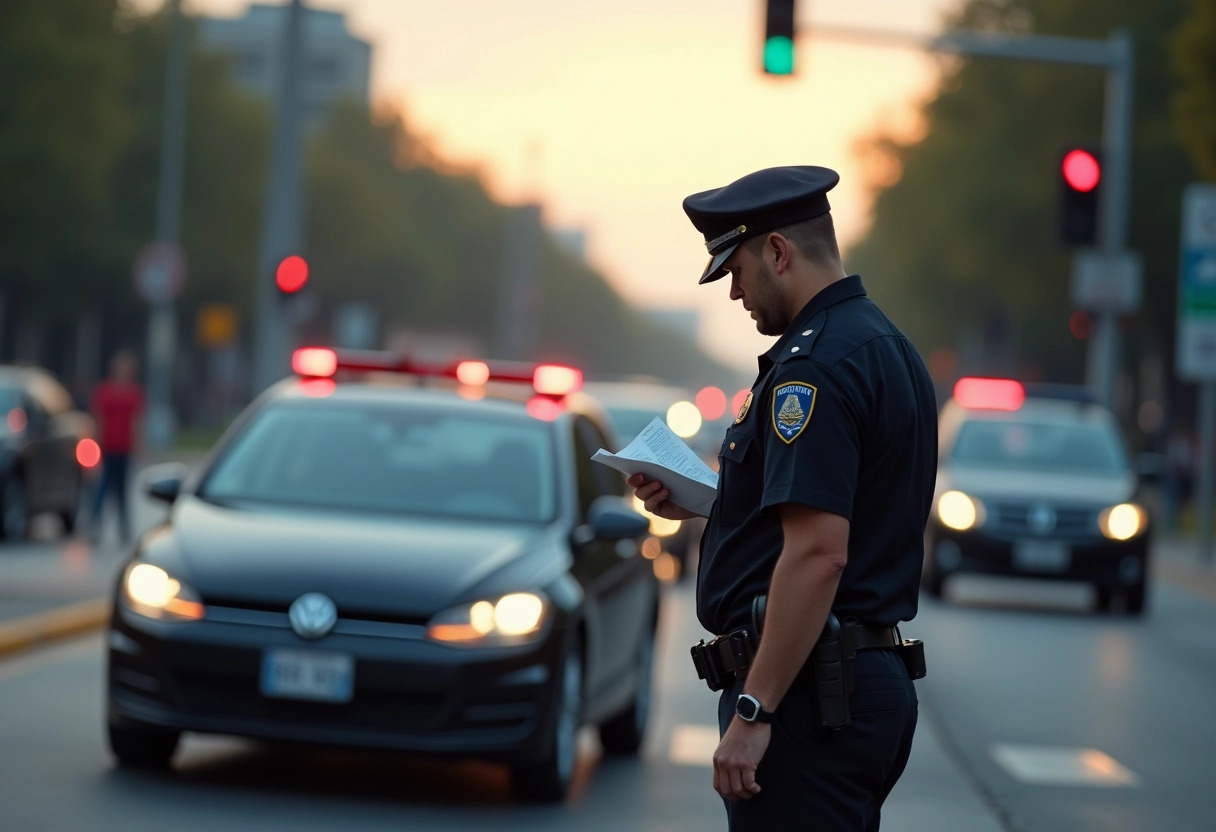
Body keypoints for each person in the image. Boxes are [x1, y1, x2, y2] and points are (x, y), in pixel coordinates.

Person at [629, 166, 938, 831]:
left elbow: (820, 553)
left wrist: (754, 711)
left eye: (736, 269)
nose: (734, 291)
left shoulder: (814, 370)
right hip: (848, 686)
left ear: (778, 251)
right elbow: (845, 509)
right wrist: (713, 503)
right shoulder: (883, 347)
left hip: (808, 698)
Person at [90, 350, 145, 543]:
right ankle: (94, 527)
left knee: (122, 491)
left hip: (125, 449)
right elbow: (98, 419)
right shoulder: (104, 391)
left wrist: (138, 446)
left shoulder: (133, 393)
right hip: (107, 448)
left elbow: (136, 422)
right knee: (102, 490)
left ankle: (124, 530)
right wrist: (96, 444)